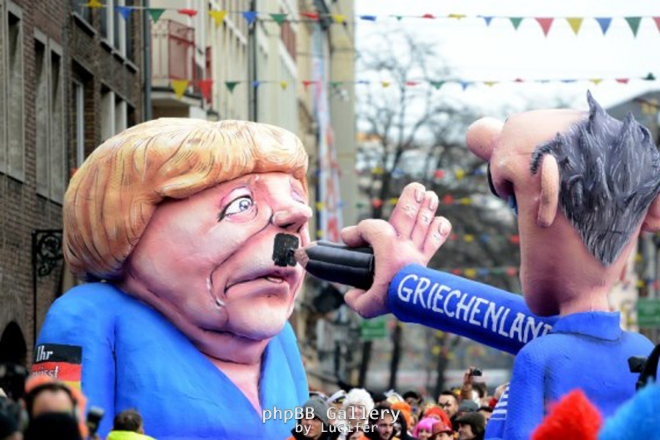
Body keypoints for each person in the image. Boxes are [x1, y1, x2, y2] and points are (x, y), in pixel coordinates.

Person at [32, 119, 450, 439]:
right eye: (242, 204)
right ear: (128, 225)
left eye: (297, 203)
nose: (295, 219)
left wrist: (410, 290)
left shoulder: (279, 340)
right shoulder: (87, 316)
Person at [338, 92, 657, 439]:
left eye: (516, 204)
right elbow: (522, 323)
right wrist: (407, 285)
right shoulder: (642, 351)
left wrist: (406, 285)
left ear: (546, 198)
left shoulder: (540, 356)